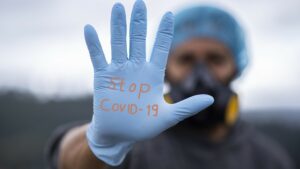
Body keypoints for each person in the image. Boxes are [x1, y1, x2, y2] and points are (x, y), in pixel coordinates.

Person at [45, 1, 295, 169]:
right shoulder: (139, 141)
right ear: (164, 69)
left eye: (215, 59)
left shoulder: (268, 159)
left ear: (236, 67)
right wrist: (102, 143)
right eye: (186, 59)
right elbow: (67, 160)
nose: (201, 74)